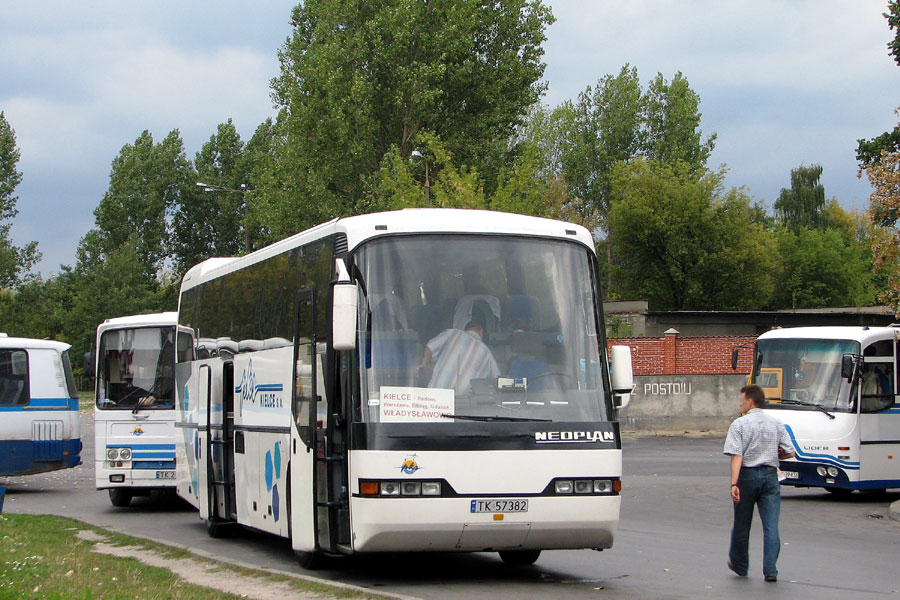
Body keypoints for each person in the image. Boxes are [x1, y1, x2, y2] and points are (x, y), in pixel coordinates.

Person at [723, 384, 795, 583]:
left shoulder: (740, 424)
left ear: (750, 401)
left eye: (742, 399)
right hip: (771, 477)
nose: (740, 402)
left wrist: (733, 484)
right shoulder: (776, 423)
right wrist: (776, 454)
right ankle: (770, 570)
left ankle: (740, 565)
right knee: (771, 526)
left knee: (742, 524)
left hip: (747, 476)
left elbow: (737, 456)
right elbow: (790, 451)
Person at [419, 319, 499, 396]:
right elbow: (497, 379)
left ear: (465, 329)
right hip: (463, 402)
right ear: (481, 332)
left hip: (438, 395)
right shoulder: (486, 353)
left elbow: (431, 346)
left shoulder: (453, 333)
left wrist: (424, 363)